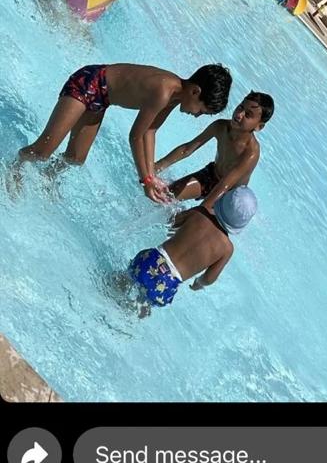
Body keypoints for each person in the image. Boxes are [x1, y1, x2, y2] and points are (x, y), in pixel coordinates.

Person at [16, 63, 232, 203]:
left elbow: (150, 132)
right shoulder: (164, 91)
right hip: (88, 83)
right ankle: (14, 168)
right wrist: (146, 180)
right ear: (195, 92)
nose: (197, 115)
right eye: (201, 110)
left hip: (101, 99)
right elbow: (135, 136)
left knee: (75, 158)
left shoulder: (174, 98)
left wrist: (152, 174)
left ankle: (48, 176)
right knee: (43, 151)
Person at [124, 186, 258, 314]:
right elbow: (209, 278)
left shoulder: (200, 213)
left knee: (124, 280)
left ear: (222, 200)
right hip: (167, 284)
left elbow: (173, 221)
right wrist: (198, 283)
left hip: (152, 259)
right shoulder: (227, 249)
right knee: (141, 307)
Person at [154, 91, 274, 206]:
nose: (239, 114)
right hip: (211, 176)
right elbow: (187, 149)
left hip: (229, 196)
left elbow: (224, 186)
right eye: (240, 107)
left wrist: (198, 211)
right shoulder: (220, 127)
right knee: (167, 194)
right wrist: (155, 167)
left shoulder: (251, 152)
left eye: (248, 114)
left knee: (195, 218)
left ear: (259, 126)